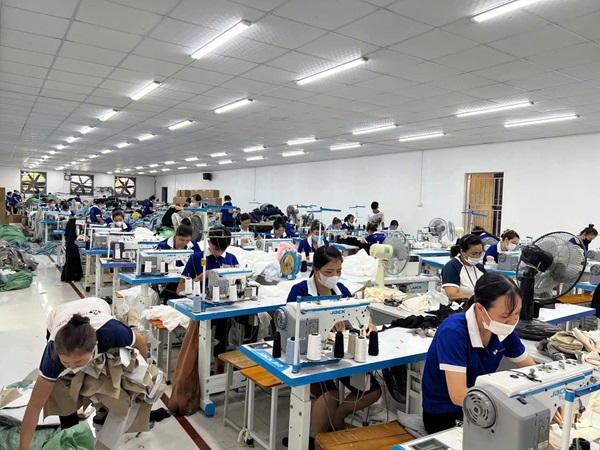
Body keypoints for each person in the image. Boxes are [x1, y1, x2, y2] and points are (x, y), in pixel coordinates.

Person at [19, 298, 148, 450]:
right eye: (66, 363)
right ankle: (70, 429)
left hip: (95, 305)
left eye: (78, 362)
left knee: (110, 376)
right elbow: (34, 406)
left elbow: (141, 342)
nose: (72, 367)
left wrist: (142, 376)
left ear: (95, 346)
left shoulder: (112, 333)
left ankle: (102, 411)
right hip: (59, 314)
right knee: (61, 388)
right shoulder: (52, 355)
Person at [285, 247, 380, 448]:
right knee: (330, 395)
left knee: (372, 391)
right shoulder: (300, 292)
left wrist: (368, 323)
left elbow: (359, 310)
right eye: (329, 272)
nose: (334, 276)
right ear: (316, 269)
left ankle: (338, 416)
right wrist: (325, 323)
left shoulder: (341, 290)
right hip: (309, 353)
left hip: (339, 351)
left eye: (338, 271)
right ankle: (319, 442)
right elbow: (292, 324)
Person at [421, 273, 536, 434]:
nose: (512, 321)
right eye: (505, 315)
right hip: (446, 412)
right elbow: (458, 394)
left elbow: (533, 371)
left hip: (481, 404)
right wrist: (509, 409)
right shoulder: (453, 332)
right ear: (481, 309)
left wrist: (550, 398)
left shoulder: (503, 330)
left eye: (516, 313)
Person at [176, 226, 238, 373]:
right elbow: (180, 289)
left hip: (225, 307)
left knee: (249, 320)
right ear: (209, 242)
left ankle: (234, 364)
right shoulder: (197, 258)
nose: (220, 253)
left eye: (223, 249)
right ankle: (216, 367)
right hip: (202, 307)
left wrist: (231, 274)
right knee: (223, 322)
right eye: (217, 249)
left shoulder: (231, 258)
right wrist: (202, 276)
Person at [442, 234, 487, 302]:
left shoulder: (479, 268)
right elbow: (452, 295)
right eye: (474, 254)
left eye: (480, 253)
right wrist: (475, 299)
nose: (478, 257)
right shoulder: (452, 267)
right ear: (462, 252)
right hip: (457, 305)